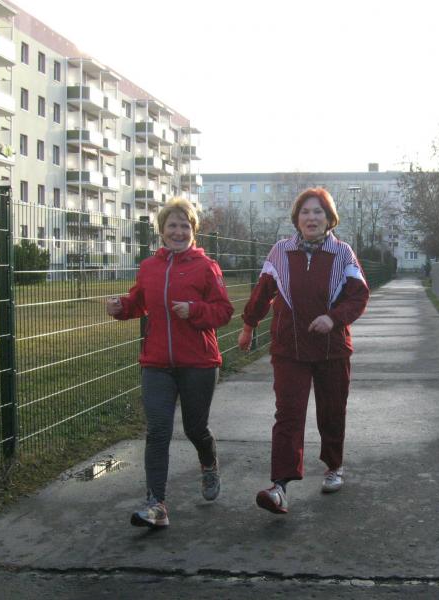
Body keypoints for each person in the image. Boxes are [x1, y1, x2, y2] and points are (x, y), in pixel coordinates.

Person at [238, 187, 369, 514]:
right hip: (289, 348)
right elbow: (262, 292)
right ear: (296, 219)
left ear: (329, 218)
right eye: (305, 212)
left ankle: (334, 466)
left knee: (332, 411)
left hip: (332, 349)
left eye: (318, 212)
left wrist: (333, 318)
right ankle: (279, 487)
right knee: (288, 415)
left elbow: (358, 296)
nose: (311, 218)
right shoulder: (280, 252)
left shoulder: (343, 253)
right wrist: (249, 325)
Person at [106, 198, 234, 528]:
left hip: (199, 363)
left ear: (194, 230)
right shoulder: (150, 266)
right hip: (157, 363)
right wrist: (121, 306)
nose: (178, 232)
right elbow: (139, 302)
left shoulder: (206, 267)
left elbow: (224, 311)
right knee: (158, 430)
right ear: (162, 231)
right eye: (172, 226)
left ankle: (209, 464)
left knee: (195, 429)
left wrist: (195, 310)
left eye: (184, 226)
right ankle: (156, 505)